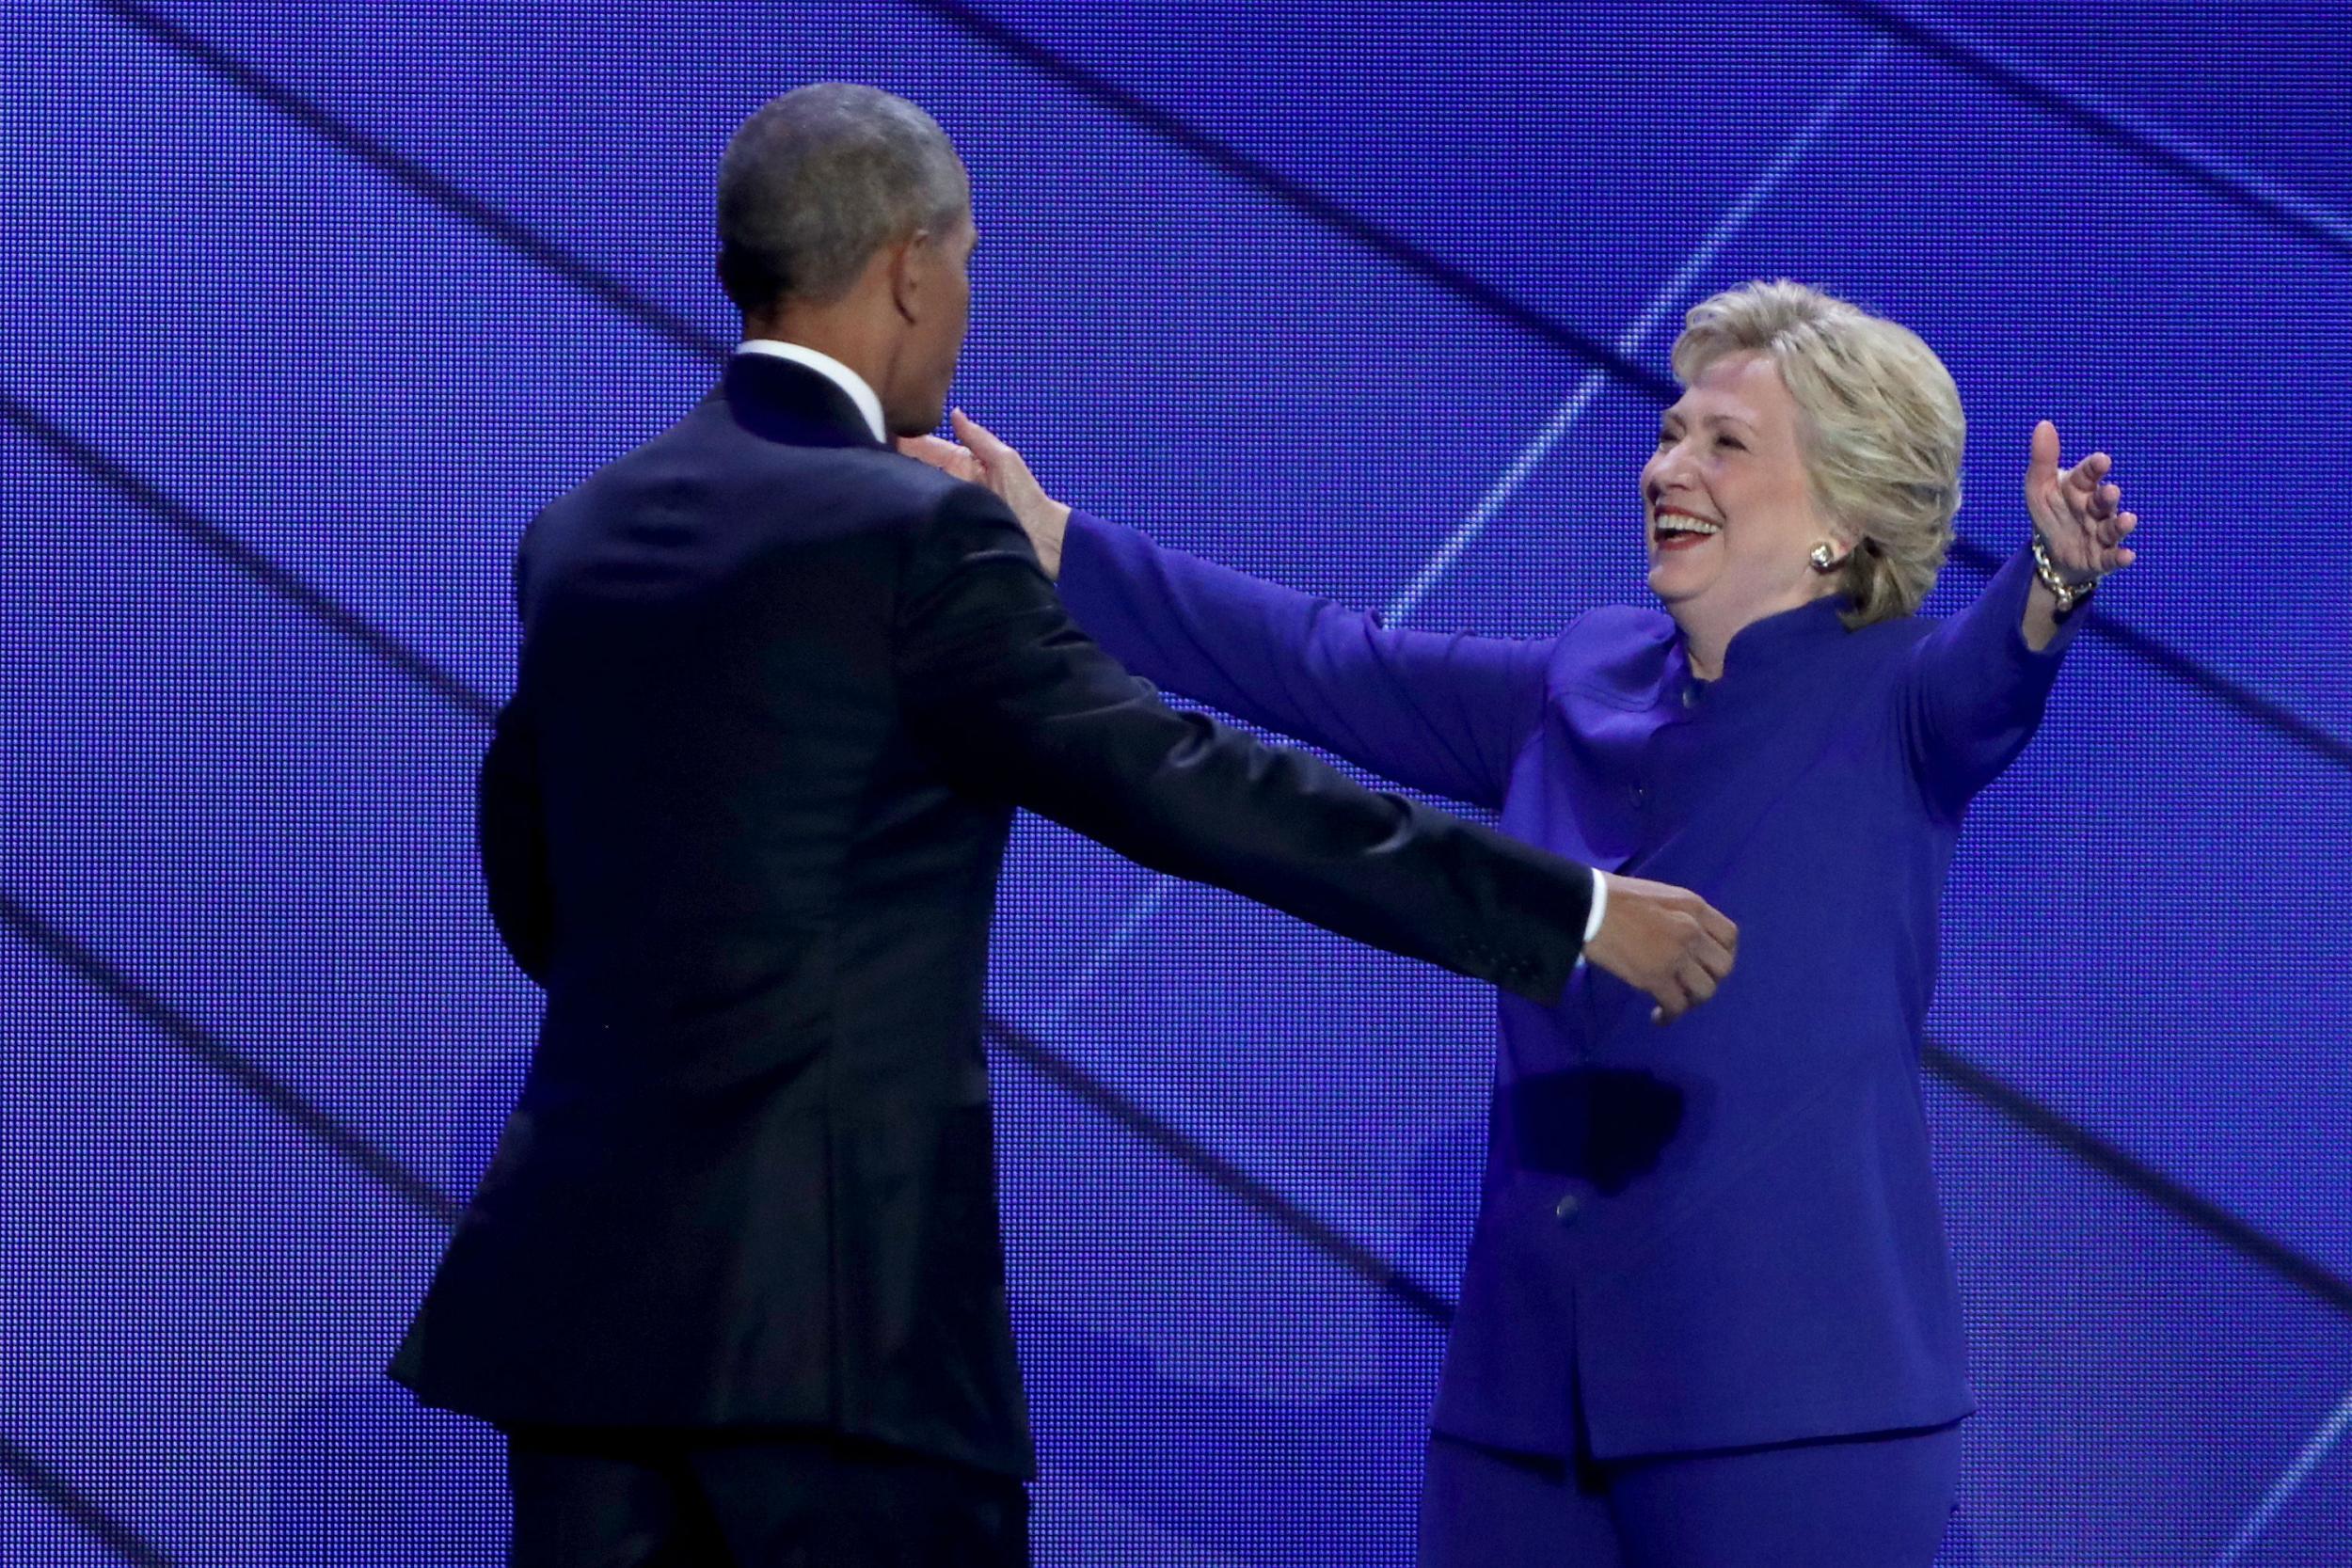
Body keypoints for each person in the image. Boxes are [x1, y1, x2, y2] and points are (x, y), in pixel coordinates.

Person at [388, 84, 1740, 1568]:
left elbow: (536, 894)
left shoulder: (583, 534)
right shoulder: (916, 535)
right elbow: (1190, 784)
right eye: (968, 264)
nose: (965, 304)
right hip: (840, 1346)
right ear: (911, 268)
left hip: (575, 1331)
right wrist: (1575, 910)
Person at [912, 278, 2137, 1567]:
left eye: (1726, 443)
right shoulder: (1582, 679)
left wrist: (2054, 575)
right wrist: (1060, 547)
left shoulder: (1900, 704)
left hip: (1796, 1421)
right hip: (1522, 1414)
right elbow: (1327, 665)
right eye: (1672, 433)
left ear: (1847, 519)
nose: (1670, 467)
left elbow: (1998, 670)